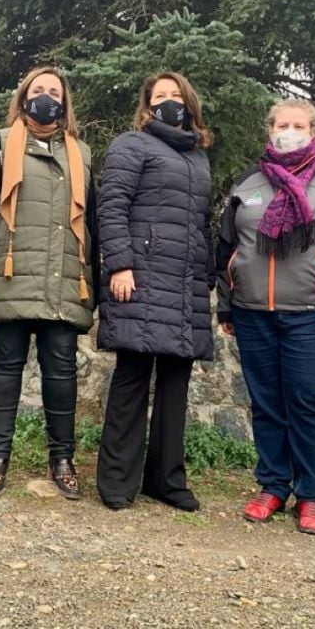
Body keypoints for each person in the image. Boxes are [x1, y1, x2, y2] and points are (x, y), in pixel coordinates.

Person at [217, 99, 315, 534]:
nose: (289, 131)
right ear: (270, 130)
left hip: (308, 312)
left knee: (305, 401)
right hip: (251, 312)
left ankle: (312, 496)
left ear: (313, 130)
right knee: (265, 404)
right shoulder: (247, 182)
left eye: (298, 125)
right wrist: (226, 303)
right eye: (282, 124)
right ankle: (272, 486)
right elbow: (225, 248)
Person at [0, 66, 98, 499]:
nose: (46, 97)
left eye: (53, 91)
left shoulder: (82, 153)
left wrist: (90, 284)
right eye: (37, 90)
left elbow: (91, 225)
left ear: (65, 102)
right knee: (4, 368)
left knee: (61, 371)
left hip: (63, 282)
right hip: (10, 277)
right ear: (23, 98)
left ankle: (62, 459)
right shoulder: (1, 145)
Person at [95, 72, 214, 512]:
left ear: (189, 103)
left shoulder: (198, 156)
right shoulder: (133, 144)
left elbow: (200, 222)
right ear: (147, 105)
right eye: (160, 96)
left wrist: (207, 274)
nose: (169, 102)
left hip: (184, 283)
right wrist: (120, 264)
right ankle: (116, 481)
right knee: (132, 376)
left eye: (176, 96)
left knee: (175, 382)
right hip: (141, 276)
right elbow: (112, 205)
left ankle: (165, 479)